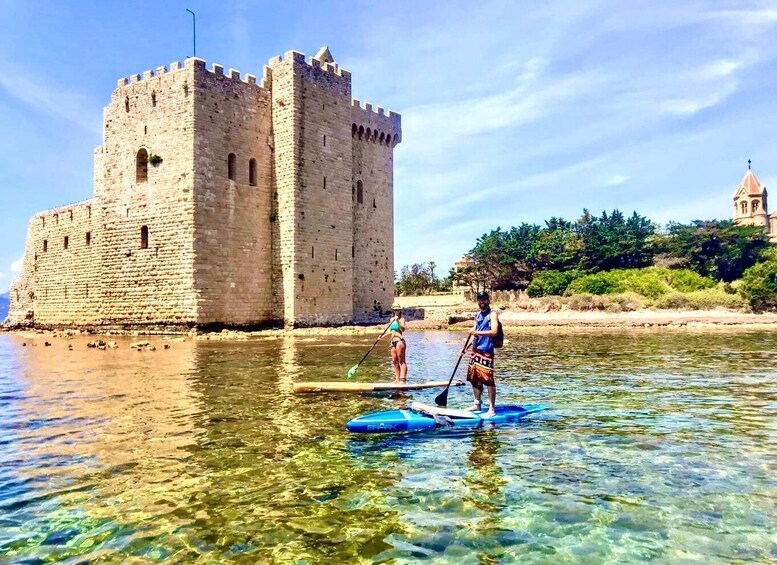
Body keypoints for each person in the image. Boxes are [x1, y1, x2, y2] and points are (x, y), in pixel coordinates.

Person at [462, 291, 499, 417]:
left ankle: (492, 409)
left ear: (488, 300)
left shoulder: (492, 314)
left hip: (486, 351)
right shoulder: (477, 315)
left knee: (488, 380)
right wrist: (466, 348)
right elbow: (474, 334)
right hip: (475, 351)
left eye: (484, 299)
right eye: (480, 299)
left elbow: (494, 331)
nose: (482, 302)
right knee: (474, 378)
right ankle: (477, 404)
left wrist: (477, 332)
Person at [385, 304, 407, 383]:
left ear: (400, 310)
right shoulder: (391, 320)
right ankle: (397, 379)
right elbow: (390, 331)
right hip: (392, 342)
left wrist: (397, 321)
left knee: (402, 361)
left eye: (397, 310)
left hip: (400, 341)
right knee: (394, 361)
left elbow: (403, 329)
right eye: (394, 310)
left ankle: (403, 380)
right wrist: (382, 336)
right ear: (393, 311)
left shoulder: (402, 319)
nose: (396, 311)